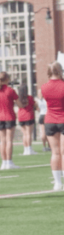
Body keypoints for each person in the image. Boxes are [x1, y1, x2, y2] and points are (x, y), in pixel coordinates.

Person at [41, 62, 64, 191]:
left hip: (50, 120)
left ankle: (57, 183)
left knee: (55, 153)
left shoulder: (44, 87)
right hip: (63, 118)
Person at [0, 71, 19, 170]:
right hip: (9, 116)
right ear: (7, 79)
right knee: (9, 141)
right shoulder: (10, 90)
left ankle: (3, 163)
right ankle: (9, 162)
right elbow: (19, 103)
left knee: (2, 141)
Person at [17, 85, 36, 155]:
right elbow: (34, 105)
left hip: (21, 117)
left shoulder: (18, 99)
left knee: (24, 134)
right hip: (28, 116)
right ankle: (29, 149)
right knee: (29, 134)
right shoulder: (29, 97)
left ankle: (25, 149)